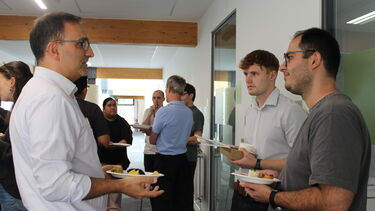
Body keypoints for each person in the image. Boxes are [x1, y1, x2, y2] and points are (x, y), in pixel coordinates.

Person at [9, 12, 163, 210]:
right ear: (55, 49)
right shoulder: (50, 99)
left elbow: (56, 166)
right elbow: (55, 185)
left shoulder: (47, 93)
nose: (90, 52)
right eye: (82, 43)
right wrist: (119, 185)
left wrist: (98, 171)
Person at [239, 28, 371, 211]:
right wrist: (280, 180)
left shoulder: (333, 115)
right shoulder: (321, 113)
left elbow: (334, 202)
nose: (283, 67)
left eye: (290, 57)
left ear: (315, 60)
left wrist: (272, 196)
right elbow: (310, 179)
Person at [229, 50, 307, 211]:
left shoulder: (291, 111)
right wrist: (241, 154)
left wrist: (257, 163)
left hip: (270, 198)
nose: (248, 80)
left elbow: (302, 162)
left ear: (272, 75)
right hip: (241, 193)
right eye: (246, 74)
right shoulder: (250, 110)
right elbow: (253, 151)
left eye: (254, 73)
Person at [149, 75, 193, 211]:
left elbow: (152, 140)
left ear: (168, 89)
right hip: (182, 161)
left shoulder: (163, 111)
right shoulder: (188, 112)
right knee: (181, 200)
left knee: (161, 199)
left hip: (164, 161)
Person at [0, 61, 32, 211]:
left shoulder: (24, 108)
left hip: (15, 187)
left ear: (12, 82)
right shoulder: (21, 107)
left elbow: (19, 154)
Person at [100, 97, 133, 211]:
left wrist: (124, 140)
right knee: (100, 193)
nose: (113, 107)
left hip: (117, 163)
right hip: (101, 161)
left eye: (114, 105)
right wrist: (104, 142)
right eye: (109, 105)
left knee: (115, 196)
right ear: (103, 109)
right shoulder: (99, 122)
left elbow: (129, 136)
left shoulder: (122, 121)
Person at [181, 83, 204, 211]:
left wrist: (177, 140)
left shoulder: (196, 114)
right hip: (178, 157)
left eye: (183, 93)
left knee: (185, 193)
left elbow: (197, 138)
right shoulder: (182, 112)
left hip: (189, 158)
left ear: (191, 95)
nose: (180, 96)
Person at [74, 76, 111, 148]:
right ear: (85, 91)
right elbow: (104, 141)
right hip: (88, 156)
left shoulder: (60, 105)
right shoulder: (93, 109)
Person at [141, 90, 165, 172]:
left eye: (158, 98)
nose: (156, 100)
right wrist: (150, 113)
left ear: (163, 99)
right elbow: (143, 128)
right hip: (148, 150)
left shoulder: (166, 112)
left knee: (160, 178)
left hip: (161, 151)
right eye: (154, 98)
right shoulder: (148, 111)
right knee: (148, 177)